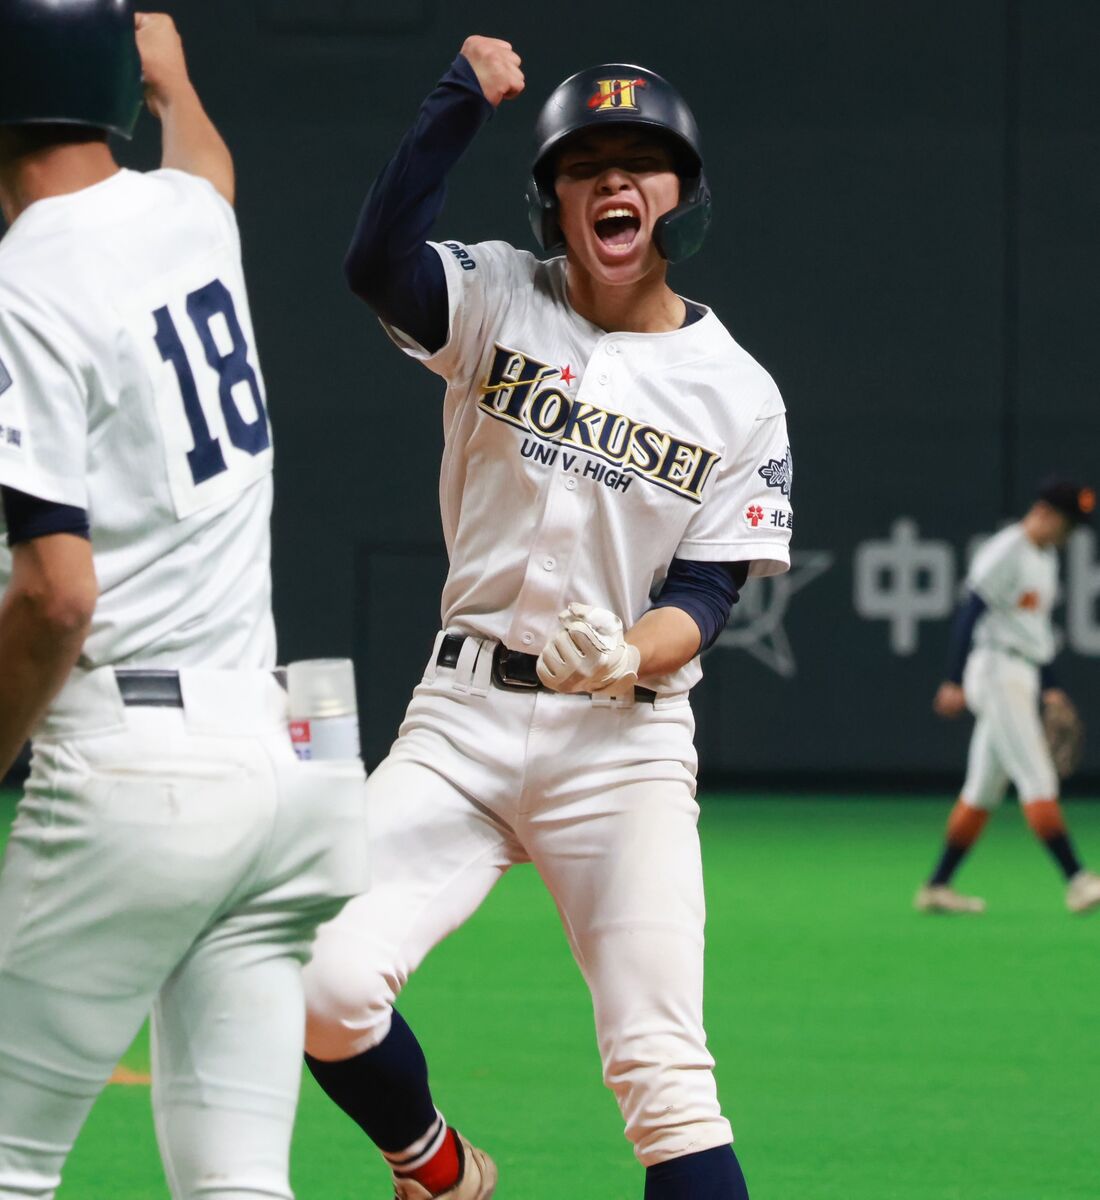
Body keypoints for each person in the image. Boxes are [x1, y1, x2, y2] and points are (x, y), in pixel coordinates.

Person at [302, 37, 794, 1200]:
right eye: (585, 164)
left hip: (618, 748)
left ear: (684, 197)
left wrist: (630, 650)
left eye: (643, 161)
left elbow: (706, 594)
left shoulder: (738, 389)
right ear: (552, 201)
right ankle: (435, 1171)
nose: (614, 181)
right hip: (460, 721)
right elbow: (377, 263)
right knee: (320, 980)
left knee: (665, 1080)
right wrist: (455, 103)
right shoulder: (495, 297)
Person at [0, 5, 368, 1197]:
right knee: (236, 1182)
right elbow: (207, 161)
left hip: (138, 778)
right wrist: (173, 80)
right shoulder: (186, 215)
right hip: (288, 777)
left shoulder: (26, 280)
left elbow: (57, 596)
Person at [916, 479, 1100, 915]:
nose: (1070, 533)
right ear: (1046, 514)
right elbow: (970, 612)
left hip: (1023, 671)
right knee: (1038, 779)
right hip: (996, 670)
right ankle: (1078, 880)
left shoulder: (1045, 557)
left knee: (983, 789)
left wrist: (1051, 685)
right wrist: (953, 679)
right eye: (1069, 523)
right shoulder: (1007, 550)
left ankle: (937, 886)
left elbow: (1034, 631)